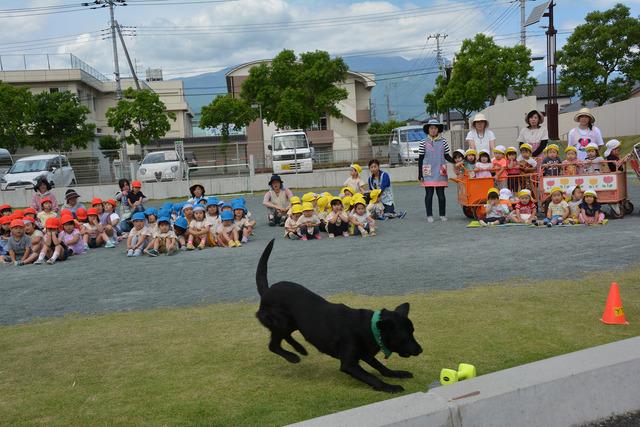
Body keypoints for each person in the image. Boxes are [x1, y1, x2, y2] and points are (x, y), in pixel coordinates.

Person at [418, 118, 453, 222]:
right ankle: (429, 215)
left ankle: (442, 214)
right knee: (429, 195)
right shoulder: (423, 142)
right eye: (431, 128)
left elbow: (447, 156)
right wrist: (419, 173)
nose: (433, 130)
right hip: (427, 172)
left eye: (435, 128)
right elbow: (420, 159)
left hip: (440, 171)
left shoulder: (444, 141)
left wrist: (455, 161)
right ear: (428, 129)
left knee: (441, 196)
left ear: (438, 129)